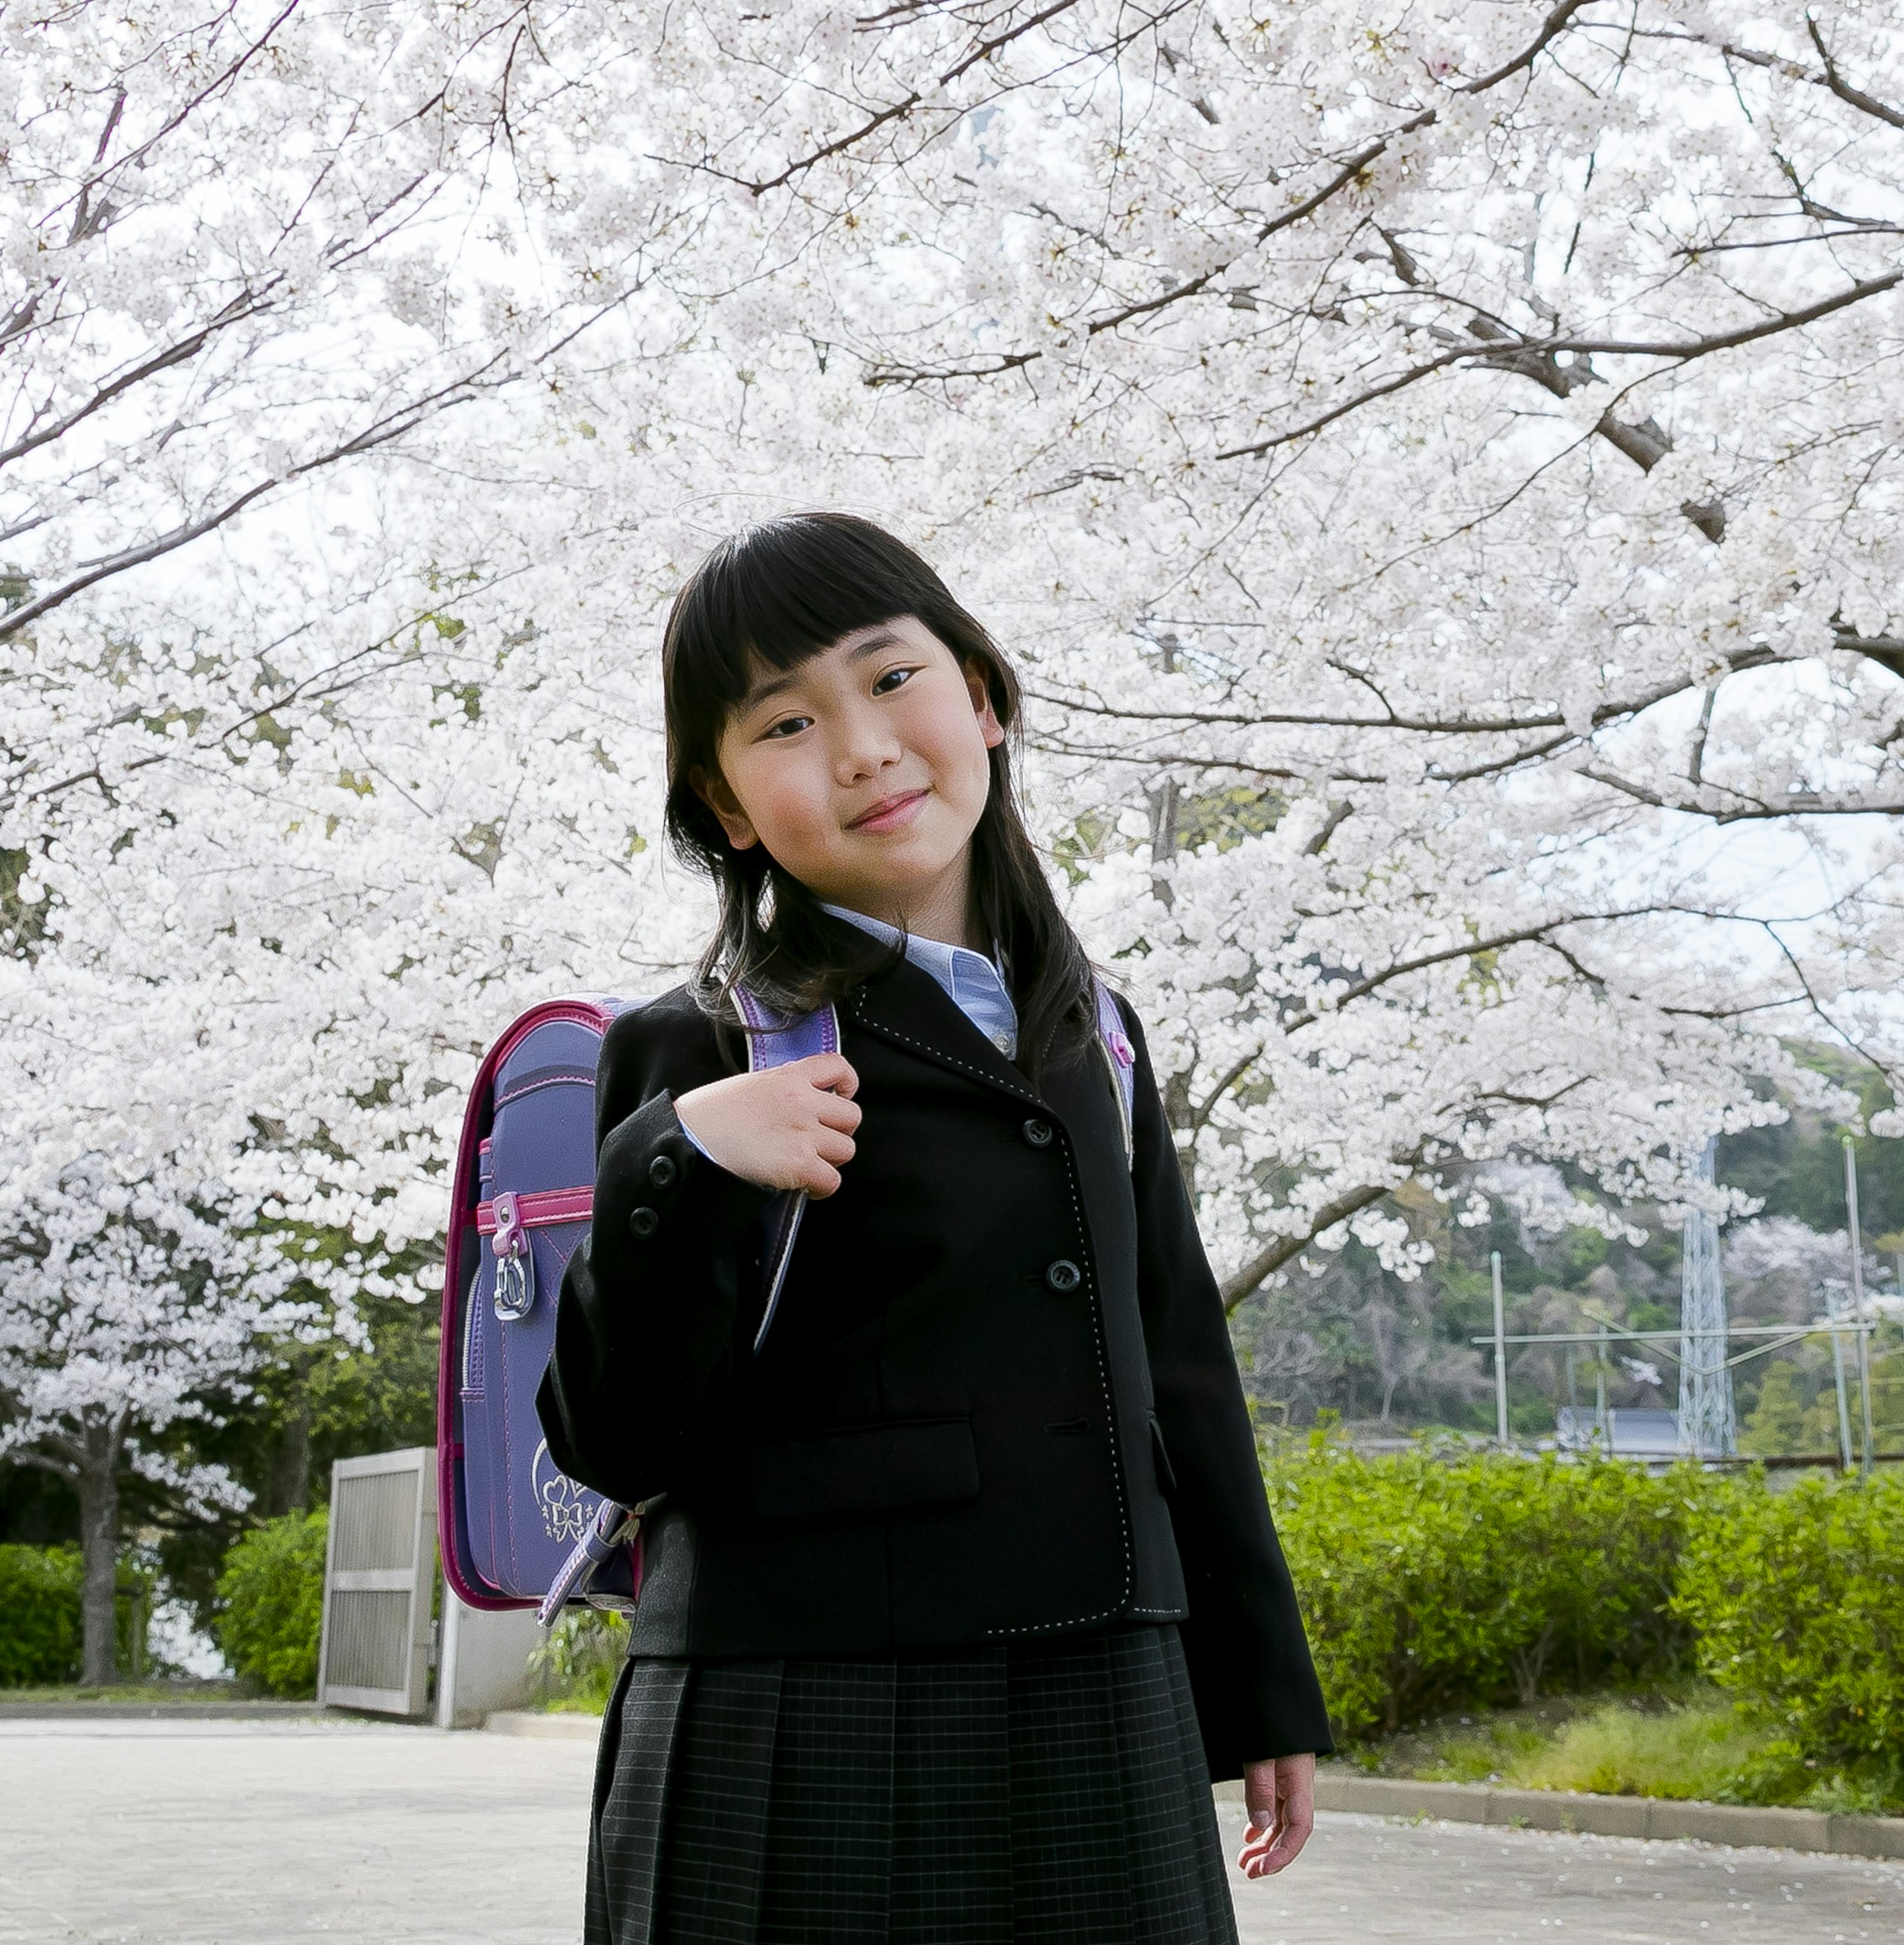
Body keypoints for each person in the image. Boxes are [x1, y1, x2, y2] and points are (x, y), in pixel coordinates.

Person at [536, 512, 1332, 1944]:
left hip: (1109, 1682)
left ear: (986, 697)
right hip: (798, 1691)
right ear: (723, 806)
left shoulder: (1099, 1033)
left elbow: (1181, 1366)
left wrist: (1259, 1679)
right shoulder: (702, 1049)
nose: (860, 748)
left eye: (892, 678)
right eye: (784, 721)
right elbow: (618, 1437)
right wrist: (682, 1157)